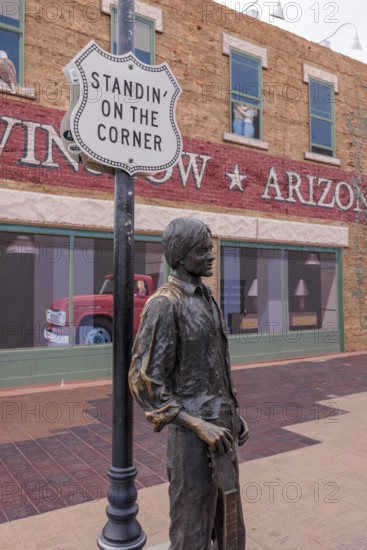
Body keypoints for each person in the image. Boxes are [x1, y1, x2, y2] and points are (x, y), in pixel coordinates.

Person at [129, 217, 249, 550]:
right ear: (181, 256)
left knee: (231, 529)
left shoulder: (206, 299)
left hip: (222, 430)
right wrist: (197, 425)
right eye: (203, 251)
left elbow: (213, 366)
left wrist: (233, 413)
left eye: (210, 248)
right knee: (191, 529)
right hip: (192, 440)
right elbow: (144, 381)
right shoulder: (165, 305)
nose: (211, 256)